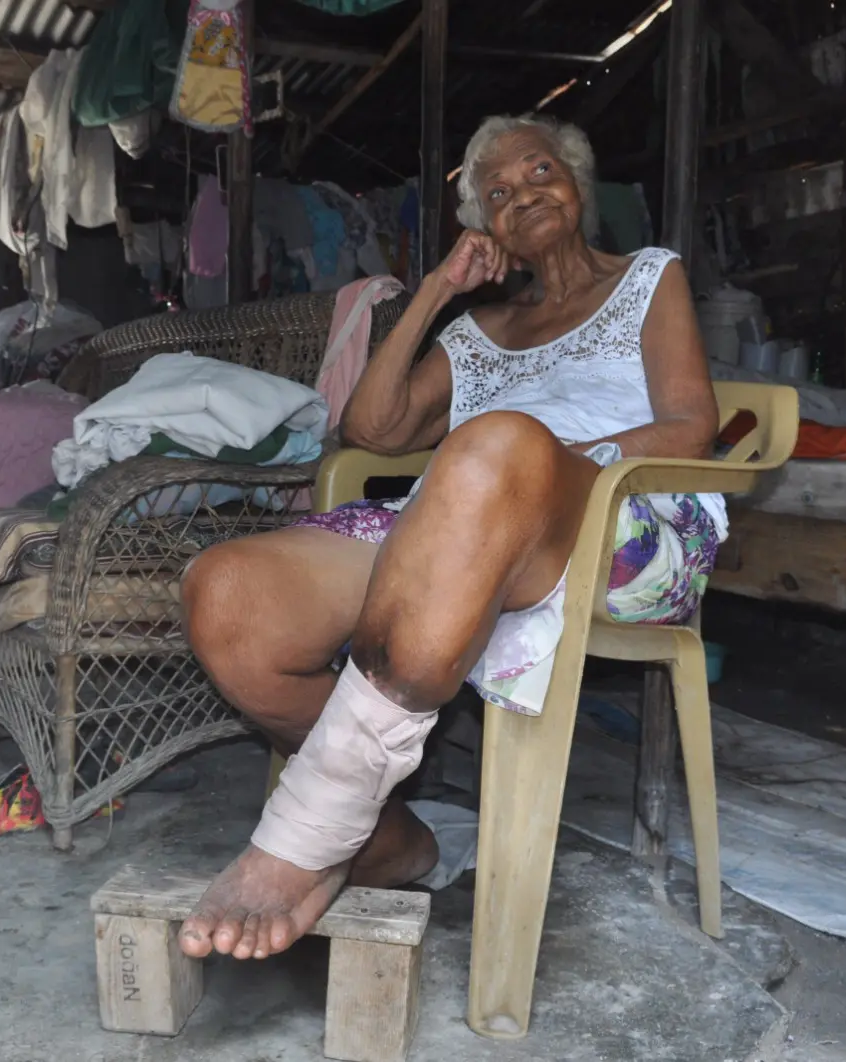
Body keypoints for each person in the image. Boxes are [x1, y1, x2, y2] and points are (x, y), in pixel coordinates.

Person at [176, 113, 725, 961]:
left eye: (540, 170)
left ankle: (310, 828)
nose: (523, 193)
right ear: (486, 229)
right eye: (497, 194)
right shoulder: (482, 331)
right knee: (228, 596)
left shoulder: (651, 279)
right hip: (455, 517)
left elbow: (692, 425)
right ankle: (389, 839)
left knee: (496, 447)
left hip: (622, 525)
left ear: (576, 180)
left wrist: (531, 468)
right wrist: (438, 288)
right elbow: (373, 425)